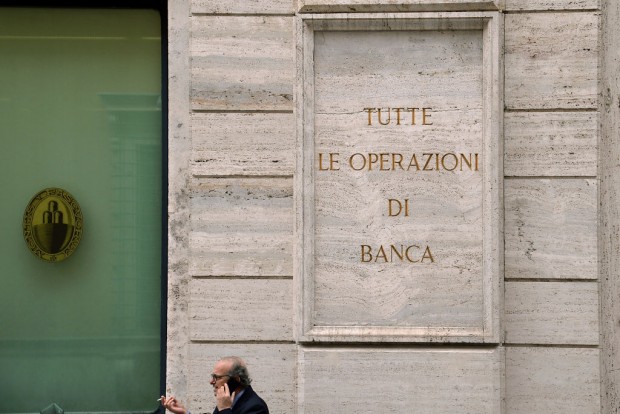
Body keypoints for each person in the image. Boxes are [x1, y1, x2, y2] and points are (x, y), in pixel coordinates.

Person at [161, 356, 269, 414]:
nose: (212, 382)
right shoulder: (227, 400)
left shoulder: (256, 407)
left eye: (218, 378)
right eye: (213, 377)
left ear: (236, 380)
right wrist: (185, 412)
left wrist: (225, 409)